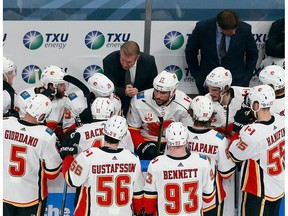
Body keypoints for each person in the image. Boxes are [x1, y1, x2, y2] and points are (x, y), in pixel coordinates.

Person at [61, 115, 144, 216]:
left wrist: (68, 155)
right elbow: (138, 195)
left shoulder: (88, 156)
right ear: (123, 136)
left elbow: (70, 181)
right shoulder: (133, 158)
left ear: (104, 131)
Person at [229, 85, 285, 216]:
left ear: (256, 105)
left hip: (260, 192)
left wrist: (237, 130)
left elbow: (234, 154)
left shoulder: (252, 134)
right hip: (278, 185)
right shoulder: (282, 120)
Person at [3, 94, 62, 216]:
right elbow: (52, 173)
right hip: (30, 198)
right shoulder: (45, 135)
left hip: (3, 194)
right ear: (42, 116)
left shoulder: (4, 123)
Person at [143, 122, 215, 216]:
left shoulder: (156, 164)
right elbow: (208, 199)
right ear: (186, 139)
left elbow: (149, 204)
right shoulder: (203, 162)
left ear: (168, 141)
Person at [185, 9, 258, 95]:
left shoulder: (245, 29)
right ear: (220, 26)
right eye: (231, 31)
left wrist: (247, 77)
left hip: (237, 84)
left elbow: (253, 54)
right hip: (207, 84)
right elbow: (190, 51)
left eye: (235, 29)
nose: (234, 32)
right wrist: (198, 76)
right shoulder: (202, 28)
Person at [127, 70, 193, 160]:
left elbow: (189, 132)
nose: (158, 96)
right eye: (156, 91)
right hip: (146, 141)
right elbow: (133, 129)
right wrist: (142, 145)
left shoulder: (185, 103)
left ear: (173, 92)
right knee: (150, 153)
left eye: (163, 93)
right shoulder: (139, 100)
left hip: (175, 143)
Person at [187, 96, 236, 216]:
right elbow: (227, 173)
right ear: (211, 116)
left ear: (191, 113)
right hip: (212, 197)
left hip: (186, 199)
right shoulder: (219, 140)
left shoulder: (179, 135)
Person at [103, 40, 158, 116]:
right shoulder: (109, 61)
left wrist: (139, 93)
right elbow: (108, 87)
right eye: (122, 60)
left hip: (142, 104)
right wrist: (124, 91)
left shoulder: (149, 62)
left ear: (137, 58)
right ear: (120, 53)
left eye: (129, 62)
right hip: (116, 102)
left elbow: (152, 87)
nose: (125, 64)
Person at [15, 65, 68, 138]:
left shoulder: (64, 99)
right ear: (51, 86)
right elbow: (22, 129)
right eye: (61, 84)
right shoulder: (23, 98)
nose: (64, 87)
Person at [204, 67, 250, 137]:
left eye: (214, 90)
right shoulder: (205, 101)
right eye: (209, 89)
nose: (210, 93)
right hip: (218, 140)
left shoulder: (246, 95)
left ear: (226, 88)